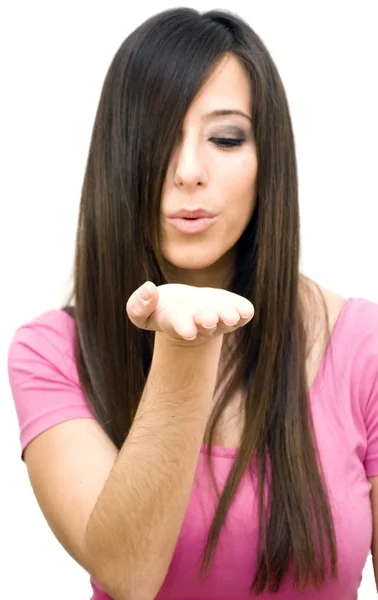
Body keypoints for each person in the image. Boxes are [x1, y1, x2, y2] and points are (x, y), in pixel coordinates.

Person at [6, 7, 378, 600]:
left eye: (225, 138)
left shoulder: (363, 346)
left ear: (267, 161)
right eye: (159, 139)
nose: (187, 172)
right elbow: (127, 573)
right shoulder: (50, 352)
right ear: (119, 158)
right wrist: (185, 343)